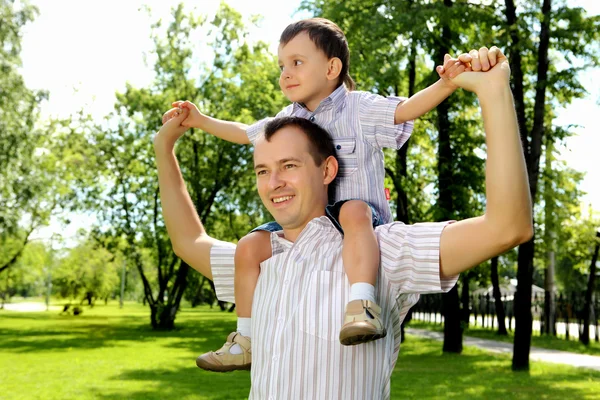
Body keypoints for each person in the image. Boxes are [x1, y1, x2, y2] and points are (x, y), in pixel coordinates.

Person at [154, 47, 533, 399]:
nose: (274, 183)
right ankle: (244, 342)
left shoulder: (379, 250)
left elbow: (507, 226)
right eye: (262, 171)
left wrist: (493, 92)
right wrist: (164, 148)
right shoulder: (256, 261)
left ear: (327, 169)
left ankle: (360, 307)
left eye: (289, 166)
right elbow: (189, 241)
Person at [161, 18, 471, 368]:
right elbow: (245, 133)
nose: (285, 74)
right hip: (306, 228)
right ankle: (245, 339)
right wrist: (200, 121)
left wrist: (446, 84)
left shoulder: (359, 109)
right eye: (281, 66)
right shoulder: (288, 120)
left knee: (353, 211)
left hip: (358, 223)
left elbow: (406, 109)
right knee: (249, 246)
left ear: (332, 68)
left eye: (297, 62)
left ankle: (361, 304)